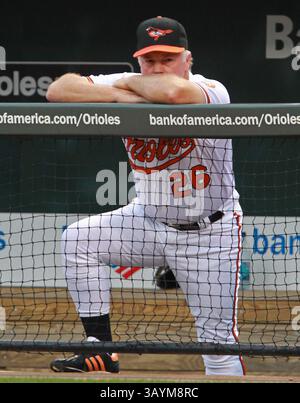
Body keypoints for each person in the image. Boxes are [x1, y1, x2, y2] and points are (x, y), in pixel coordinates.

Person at [46, 16, 246, 376]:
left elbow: (173, 94)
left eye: (167, 59)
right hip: (148, 222)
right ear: (137, 60)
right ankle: (101, 348)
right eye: (149, 60)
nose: (157, 68)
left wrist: (122, 88)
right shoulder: (132, 82)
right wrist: (122, 88)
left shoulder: (211, 89)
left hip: (209, 235)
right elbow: (58, 90)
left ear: (187, 59)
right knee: (78, 239)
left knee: (218, 347)